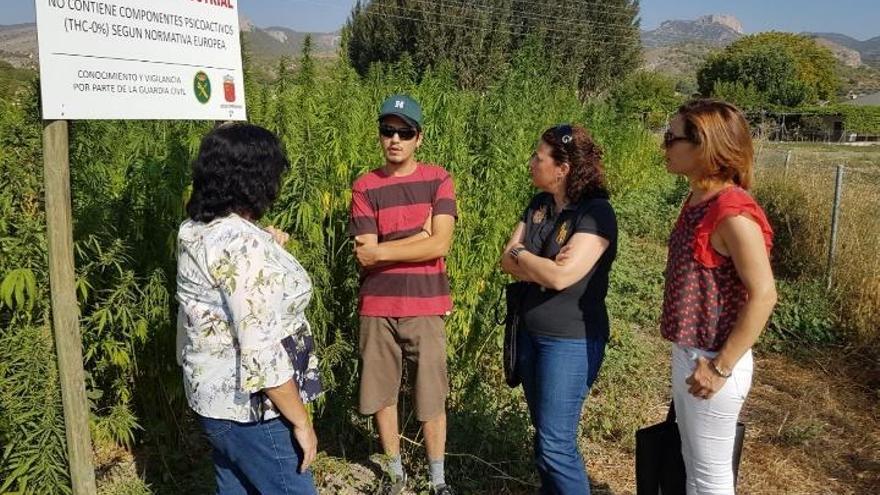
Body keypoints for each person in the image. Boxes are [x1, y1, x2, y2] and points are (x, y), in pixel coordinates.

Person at [176, 123, 322, 495]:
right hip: (254, 411)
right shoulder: (241, 244)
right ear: (255, 179)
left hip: (212, 402)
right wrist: (301, 422)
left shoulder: (196, 229)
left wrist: (265, 243)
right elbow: (261, 350)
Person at [661, 99, 777, 495]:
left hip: (714, 361)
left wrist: (719, 367)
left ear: (704, 145)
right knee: (693, 470)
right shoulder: (698, 199)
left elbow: (764, 294)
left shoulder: (732, 212)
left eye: (671, 137)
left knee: (710, 479)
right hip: (692, 354)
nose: (665, 146)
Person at [500, 124, 618, 495]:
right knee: (545, 436)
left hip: (569, 341)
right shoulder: (539, 206)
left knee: (556, 445)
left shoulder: (596, 214)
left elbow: (561, 277)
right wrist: (532, 260)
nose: (532, 162)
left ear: (563, 167)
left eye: (539, 157)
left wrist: (526, 256)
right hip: (532, 334)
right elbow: (506, 258)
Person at [349, 94, 457, 495]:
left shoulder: (439, 178)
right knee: (382, 393)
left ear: (419, 138)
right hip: (377, 305)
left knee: (431, 394)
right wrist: (419, 236)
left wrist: (385, 248)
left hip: (426, 305)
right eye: (387, 130)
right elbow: (364, 253)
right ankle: (395, 475)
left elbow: (440, 245)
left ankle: (438, 480)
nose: (395, 139)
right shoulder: (364, 185)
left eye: (404, 132)